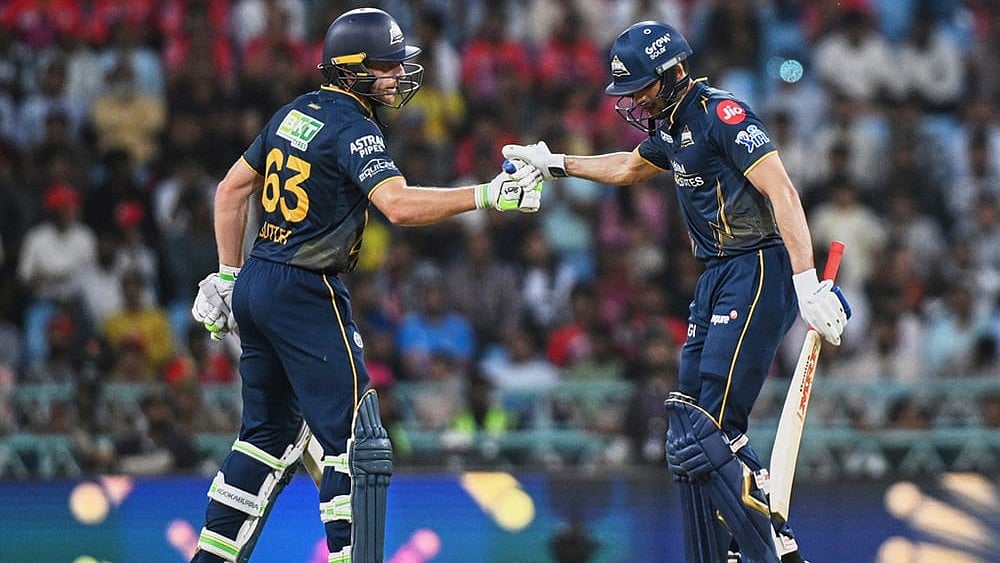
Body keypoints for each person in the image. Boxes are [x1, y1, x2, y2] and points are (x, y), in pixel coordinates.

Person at [188, 8, 542, 563]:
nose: (398, 76)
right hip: (308, 288)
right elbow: (397, 206)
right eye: (385, 66)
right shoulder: (354, 125)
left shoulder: (293, 111)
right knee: (357, 444)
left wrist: (229, 276)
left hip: (259, 279)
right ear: (351, 69)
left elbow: (232, 190)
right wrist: (487, 195)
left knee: (264, 437)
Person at [503, 20, 850, 563]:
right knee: (691, 421)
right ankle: (749, 539)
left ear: (672, 73)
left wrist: (806, 284)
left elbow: (781, 189)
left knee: (714, 423)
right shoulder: (669, 124)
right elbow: (627, 165)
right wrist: (555, 164)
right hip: (715, 272)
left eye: (639, 85)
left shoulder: (722, 115)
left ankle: (770, 545)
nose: (633, 99)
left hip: (758, 265)